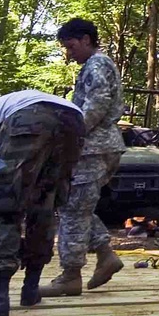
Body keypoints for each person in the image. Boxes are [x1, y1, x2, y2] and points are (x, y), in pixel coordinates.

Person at [0, 90, 85, 316]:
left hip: (31, 117)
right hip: (73, 120)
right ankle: (30, 290)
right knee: (45, 203)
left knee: (5, 204)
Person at [42, 18, 126, 297]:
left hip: (93, 148)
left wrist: (73, 135)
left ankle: (70, 274)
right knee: (76, 207)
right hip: (96, 146)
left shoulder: (97, 64)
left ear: (87, 40)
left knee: (73, 212)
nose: (69, 53)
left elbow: (97, 104)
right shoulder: (95, 65)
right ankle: (105, 254)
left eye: (71, 46)